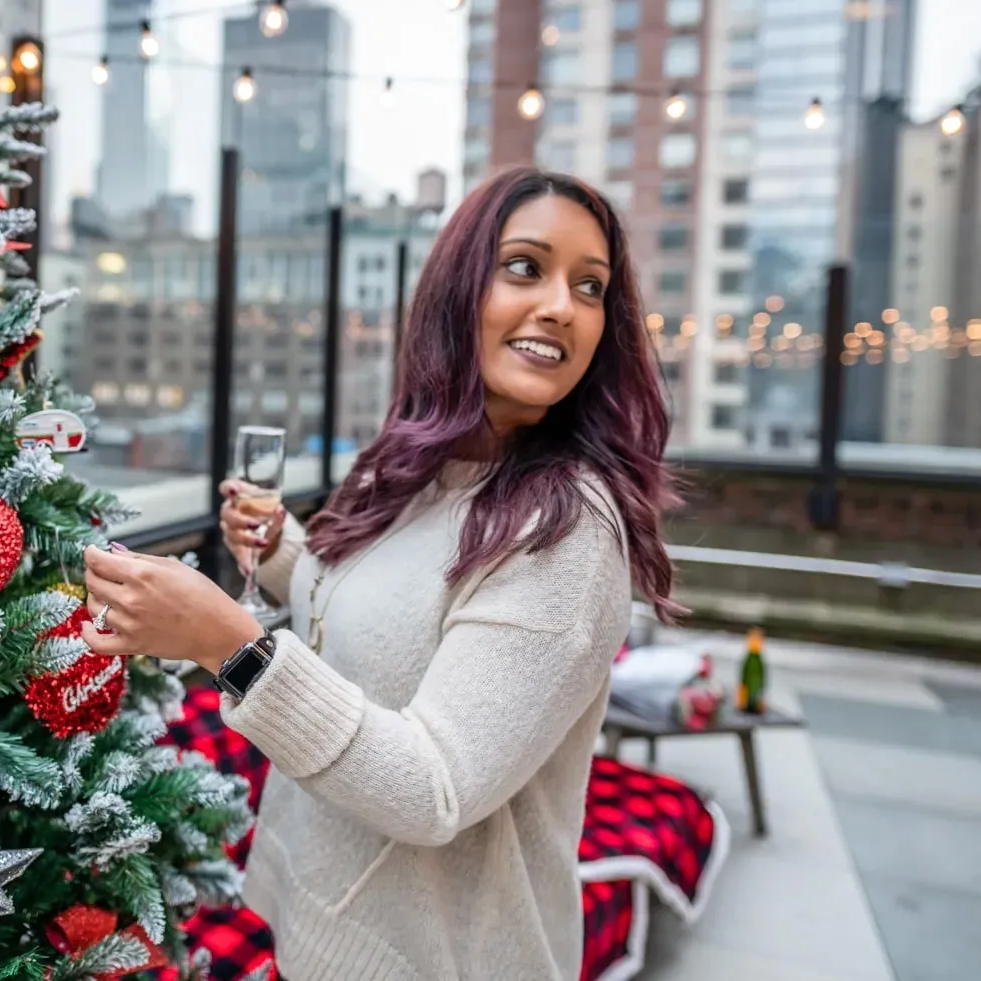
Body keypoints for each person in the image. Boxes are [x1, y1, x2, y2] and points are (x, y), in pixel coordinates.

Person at [79, 166, 677, 980]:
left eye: (591, 285)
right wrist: (286, 546)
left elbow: (433, 788)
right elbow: (372, 620)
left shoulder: (566, 531)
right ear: (457, 289)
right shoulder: (420, 466)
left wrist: (231, 644)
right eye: (526, 267)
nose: (561, 306)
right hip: (322, 927)